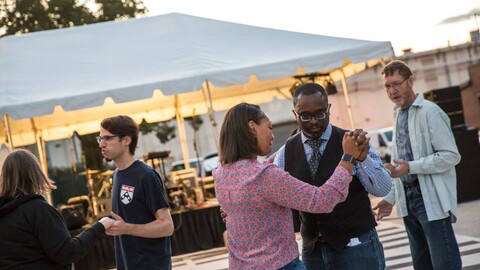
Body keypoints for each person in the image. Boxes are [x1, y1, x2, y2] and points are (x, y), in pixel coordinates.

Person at [214, 102, 361, 270]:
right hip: (280, 264)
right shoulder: (265, 176)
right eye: (269, 128)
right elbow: (322, 200)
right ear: (252, 127)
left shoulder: (220, 174)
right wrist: (348, 157)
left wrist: (293, 144)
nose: (272, 135)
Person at [274, 82, 391, 270]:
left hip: (357, 248)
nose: (313, 121)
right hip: (313, 253)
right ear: (295, 114)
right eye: (305, 116)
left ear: (329, 109)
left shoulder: (352, 140)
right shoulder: (285, 153)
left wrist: (362, 160)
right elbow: (271, 192)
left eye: (320, 113)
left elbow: (383, 188)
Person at [373, 60, 462, 269]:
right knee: (422, 265)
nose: (392, 90)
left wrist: (411, 167)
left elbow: (451, 156)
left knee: (444, 264)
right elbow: (400, 163)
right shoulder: (398, 114)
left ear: (410, 81)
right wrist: (390, 198)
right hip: (408, 200)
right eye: (387, 86)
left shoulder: (430, 112)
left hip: (429, 198)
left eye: (396, 83)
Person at [0, 149, 115, 269]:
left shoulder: (3, 213)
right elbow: (67, 252)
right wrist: (100, 226)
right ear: (36, 173)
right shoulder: (39, 210)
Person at [98, 115, 174, 269]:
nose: (102, 144)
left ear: (126, 140)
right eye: (99, 138)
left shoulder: (146, 175)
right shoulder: (116, 175)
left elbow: (167, 226)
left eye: (107, 138)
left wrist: (127, 228)